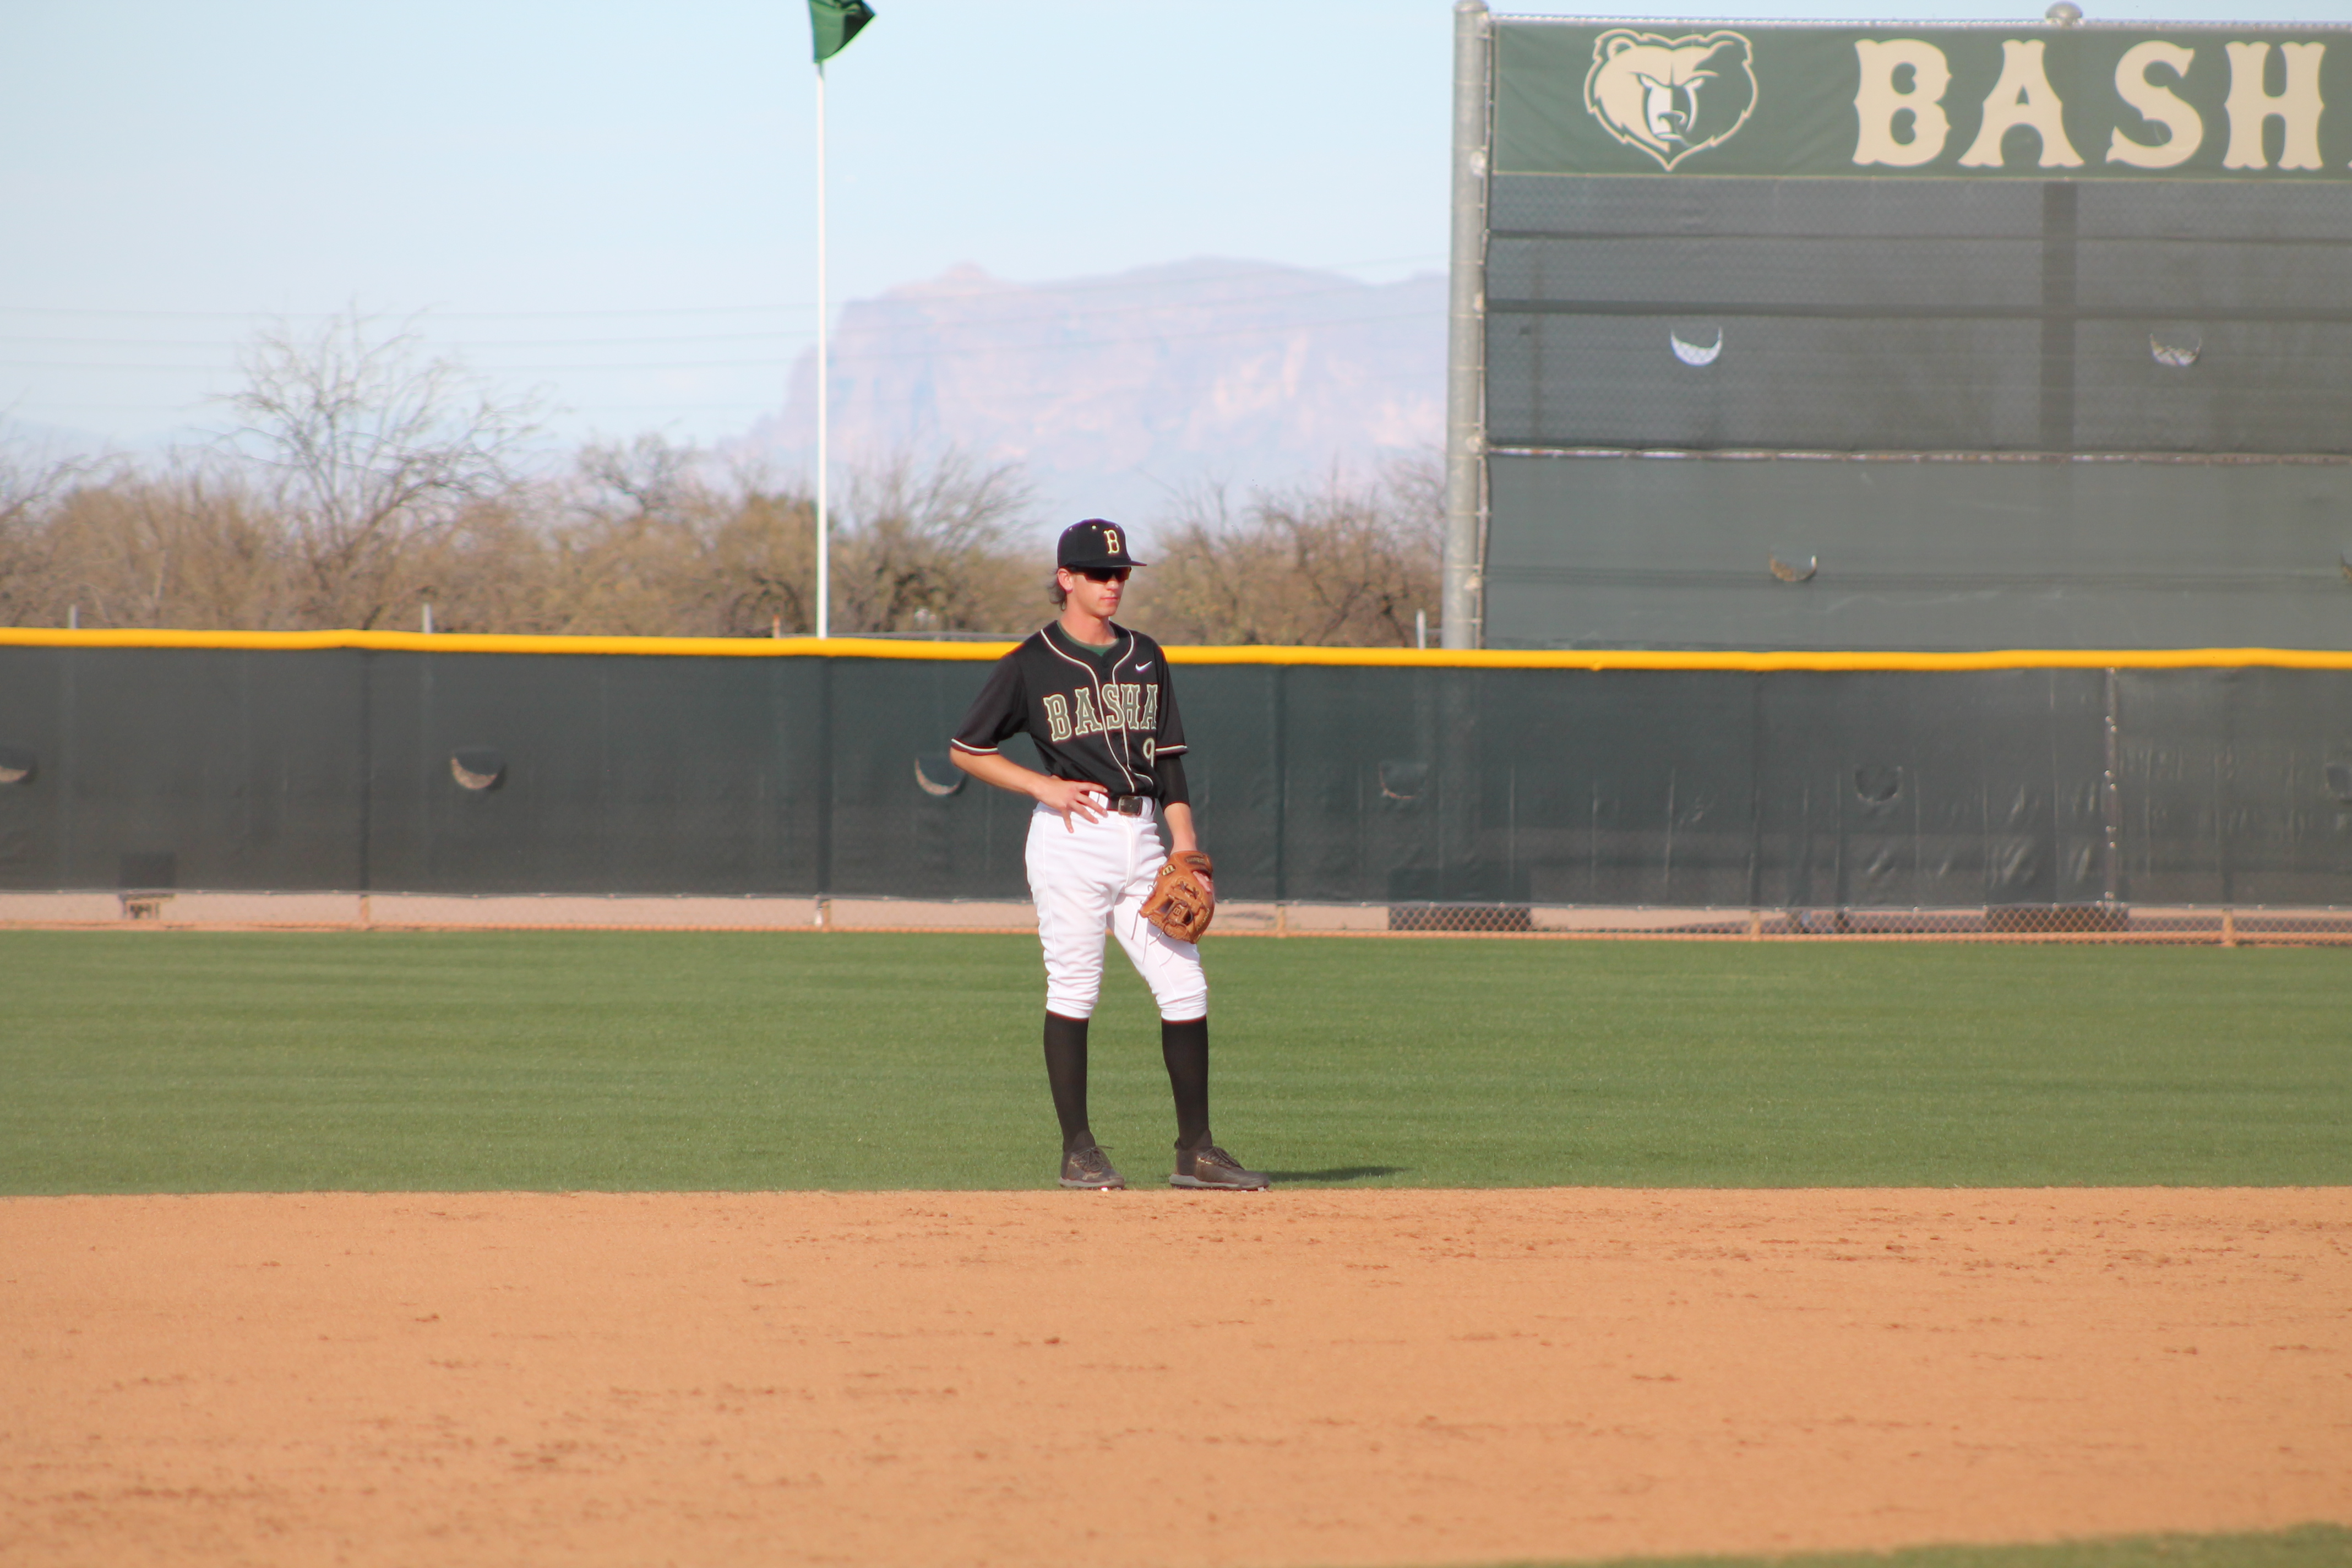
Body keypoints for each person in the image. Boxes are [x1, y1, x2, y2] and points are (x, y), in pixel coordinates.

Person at [949, 519, 1269, 1192]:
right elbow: (966, 749)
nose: (1113, 583)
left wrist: (1186, 847)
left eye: (1120, 573)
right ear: (1066, 579)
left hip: (1144, 833)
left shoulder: (1146, 655)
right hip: (1072, 839)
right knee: (1075, 987)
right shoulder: (1030, 663)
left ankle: (1197, 1152)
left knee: (1185, 986)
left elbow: (1170, 763)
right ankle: (1079, 1149)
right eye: (1099, 573)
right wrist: (1043, 784)